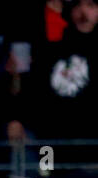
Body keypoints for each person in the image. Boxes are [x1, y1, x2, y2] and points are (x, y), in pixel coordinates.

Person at [8, 0, 98, 156]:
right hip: (49, 139)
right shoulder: (50, 43)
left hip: (90, 142)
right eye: (77, 6)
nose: (83, 12)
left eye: (90, 5)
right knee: (45, 167)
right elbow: (28, 85)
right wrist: (15, 118)